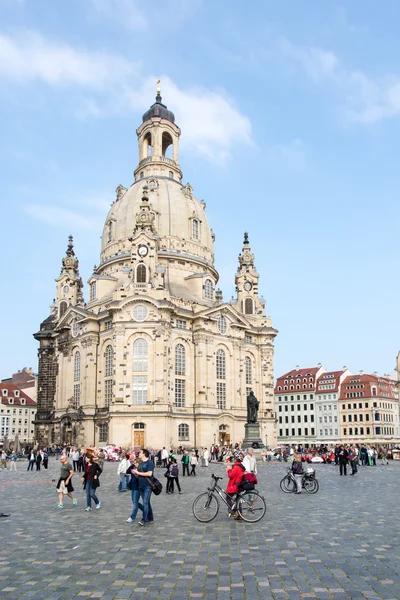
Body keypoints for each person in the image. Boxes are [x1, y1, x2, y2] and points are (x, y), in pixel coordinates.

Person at [130, 449, 155, 526]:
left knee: (145, 502)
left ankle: (144, 519)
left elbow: (150, 473)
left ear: (144, 454)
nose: (139, 453)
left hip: (148, 486)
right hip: (141, 485)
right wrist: (136, 474)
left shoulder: (150, 463)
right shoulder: (140, 463)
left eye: (140, 452)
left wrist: (138, 472)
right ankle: (150, 517)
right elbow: (139, 475)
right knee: (147, 502)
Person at [126, 458, 153, 524]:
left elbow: (144, 478)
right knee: (135, 502)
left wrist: (137, 474)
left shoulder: (141, 469)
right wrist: (132, 467)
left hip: (138, 487)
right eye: (134, 463)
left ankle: (132, 517)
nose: (134, 464)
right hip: (133, 486)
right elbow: (127, 471)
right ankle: (146, 512)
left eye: (136, 463)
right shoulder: (133, 467)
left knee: (136, 503)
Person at [225, 450, 245, 520]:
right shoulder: (240, 466)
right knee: (237, 500)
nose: (233, 459)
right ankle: (240, 515)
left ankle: (233, 510)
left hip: (234, 485)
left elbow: (231, 476)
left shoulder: (236, 467)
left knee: (228, 498)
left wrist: (229, 470)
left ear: (236, 459)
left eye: (234, 458)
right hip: (238, 484)